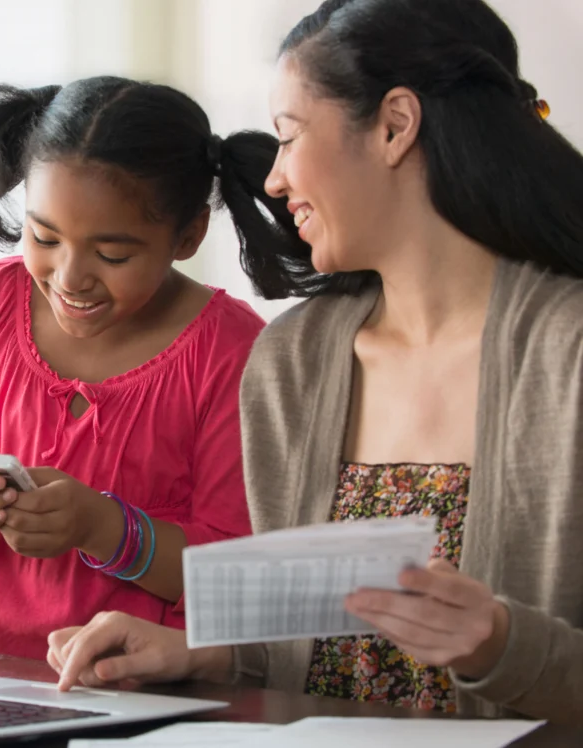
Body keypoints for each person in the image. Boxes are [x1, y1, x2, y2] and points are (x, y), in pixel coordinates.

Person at [46, 0, 583, 724]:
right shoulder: (293, 362)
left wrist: (499, 644)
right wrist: (195, 651)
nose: (272, 180)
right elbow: (318, 648)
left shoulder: (568, 354)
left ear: (394, 125)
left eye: (289, 137)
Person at [0, 76, 295, 660]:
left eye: (113, 255)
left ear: (188, 235)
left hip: (154, 692)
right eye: (43, 237)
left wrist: (103, 527)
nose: (69, 278)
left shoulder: (231, 350)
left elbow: (235, 573)